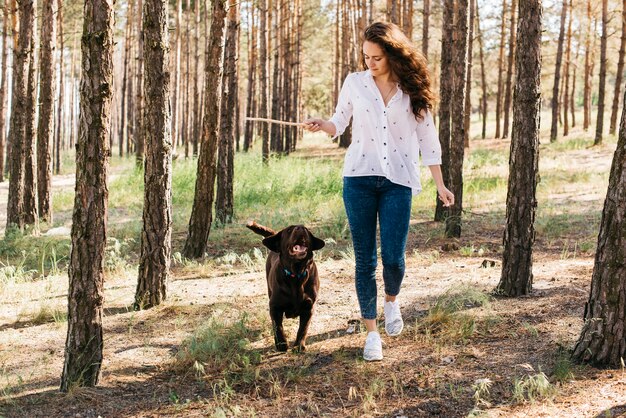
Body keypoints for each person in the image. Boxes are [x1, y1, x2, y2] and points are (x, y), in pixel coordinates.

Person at [303, 22, 454, 361]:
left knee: (394, 260)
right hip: (358, 178)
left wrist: (440, 184)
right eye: (366, 56)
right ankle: (372, 333)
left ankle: (391, 302)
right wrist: (321, 124)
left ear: (393, 55)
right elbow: (338, 122)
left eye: (377, 57)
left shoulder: (412, 89)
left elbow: (428, 138)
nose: (370, 63)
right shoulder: (354, 83)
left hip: (399, 181)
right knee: (365, 260)